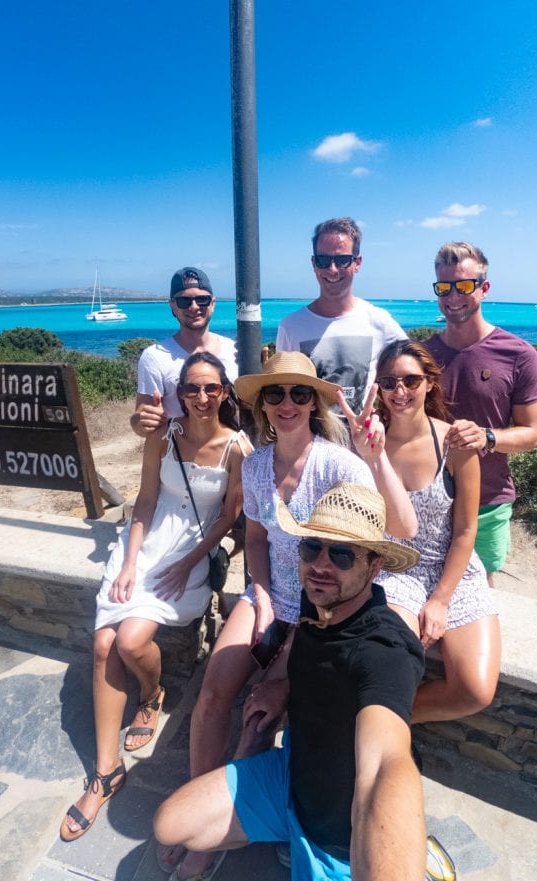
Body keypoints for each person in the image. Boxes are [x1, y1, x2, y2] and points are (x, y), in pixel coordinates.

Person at [160, 352, 417, 880]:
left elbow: (382, 533)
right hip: (273, 594)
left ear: (314, 402)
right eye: (275, 394)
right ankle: (218, 809)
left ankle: (238, 818)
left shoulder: (338, 465)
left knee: (279, 706)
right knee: (213, 694)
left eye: (300, 394)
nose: (287, 404)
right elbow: (255, 537)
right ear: (261, 405)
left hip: (320, 603)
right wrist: (261, 595)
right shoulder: (255, 464)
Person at [60, 352, 249, 842]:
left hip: (192, 550)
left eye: (210, 388)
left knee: (129, 642)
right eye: (191, 389)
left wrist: (189, 562)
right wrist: (127, 562)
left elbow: (229, 518)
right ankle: (106, 770)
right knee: (104, 644)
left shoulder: (237, 449)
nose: (201, 398)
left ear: (224, 392)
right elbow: (143, 501)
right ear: (177, 393)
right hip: (145, 545)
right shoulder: (161, 438)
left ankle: (151, 692)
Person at [340, 340, 500, 723]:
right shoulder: (365, 442)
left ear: (429, 383)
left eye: (411, 380)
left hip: (453, 570)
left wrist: (440, 600)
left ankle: (378, 722)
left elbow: (464, 531)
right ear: (377, 386)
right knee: (386, 669)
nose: (400, 391)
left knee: (474, 689)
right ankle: (375, 727)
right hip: (393, 569)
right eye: (389, 381)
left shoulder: (454, 444)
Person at [425, 242, 537, 584]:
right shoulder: (422, 355)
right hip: (429, 498)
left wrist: (487, 437)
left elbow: (531, 433)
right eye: (444, 287)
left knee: (480, 595)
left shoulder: (518, 354)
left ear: (484, 288)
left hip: (488, 501)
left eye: (464, 286)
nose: (453, 296)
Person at [276, 217, 407, 412]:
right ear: (314, 263)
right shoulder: (291, 327)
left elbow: (414, 373)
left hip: (364, 441)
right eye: (323, 260)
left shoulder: (380, 322)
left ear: (357, 263)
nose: (332, 269)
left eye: (342, 260)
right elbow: (284, 390)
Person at [131, 267, 238, 437]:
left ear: (213, 303)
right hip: (179, 459)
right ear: (173, 306)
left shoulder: (235, 351)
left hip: (232, 456)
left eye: (202, 299)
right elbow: (140, 419)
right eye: (184, 301)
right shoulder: (155, 357)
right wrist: (141, 421)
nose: (194, 307)